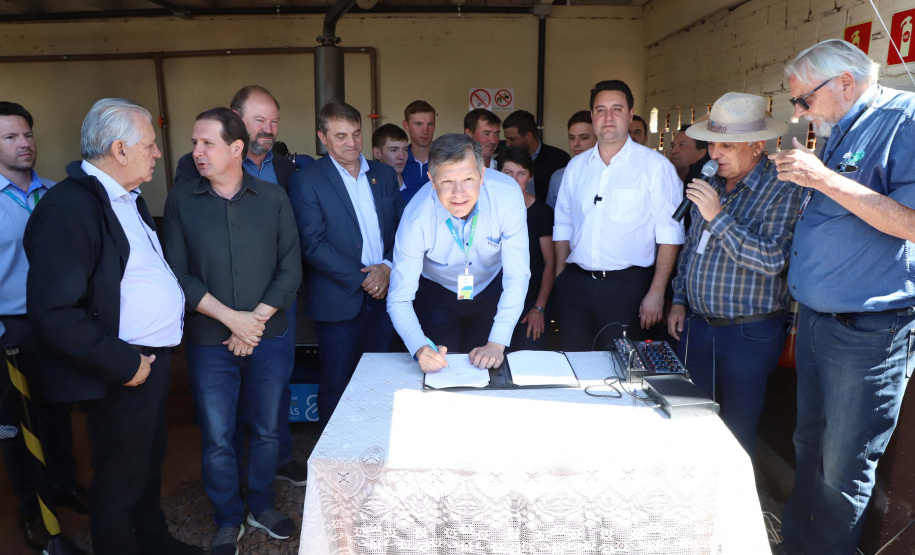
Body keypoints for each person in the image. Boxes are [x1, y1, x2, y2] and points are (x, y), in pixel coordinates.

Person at [24, 98, 201, 555]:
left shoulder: (126, 198)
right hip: (122, 366)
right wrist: (125, 364)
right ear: (120, 150)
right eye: (150, 144)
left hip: (148, 361)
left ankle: (153, 540)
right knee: (119, 477)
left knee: (146, 462)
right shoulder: (70, 207)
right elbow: (54, 312)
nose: (158, 154)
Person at [769, 39, 915, 555]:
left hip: (868, 333)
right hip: (817, 321)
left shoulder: (905, 120)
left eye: (803, 100)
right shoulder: (837, 128)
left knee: (843, 467)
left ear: (846, 84)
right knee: (809, 447)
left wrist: (824, 179)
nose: (798, 112)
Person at [163, 107, 302, 554]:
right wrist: (232, 320)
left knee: (266, 430)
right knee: (218, 436)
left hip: (268, 336)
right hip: (209, 342)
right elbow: (177, 275)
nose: (197, 152)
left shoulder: (273, 199)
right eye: (194, 143)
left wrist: (252, 322)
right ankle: (228, 518)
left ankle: (260, 506)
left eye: (207, 143)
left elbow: (290, 270)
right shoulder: (182, 200)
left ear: (236, 148)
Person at [666, 92, 802, 456]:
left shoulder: (783, 187)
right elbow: (691, 251)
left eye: (727, 145)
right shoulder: (709, 183)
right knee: (689, 417)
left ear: (757, 145)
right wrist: (679, 299)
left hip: (748, 332)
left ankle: (728, 506)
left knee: (736, 429)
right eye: (712, 145)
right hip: (696, 325)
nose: (714, 155)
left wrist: (719, 217)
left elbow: (774, 258)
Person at [0, 101, 88, 550]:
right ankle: (32, 510)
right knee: (16, 425)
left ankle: (62, 486)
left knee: (56, 412)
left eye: (27, 134)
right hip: (9, 329)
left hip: (54, 322)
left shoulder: (54, 193)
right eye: (10, 137)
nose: (24, 143)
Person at [289, 101, 404, 423]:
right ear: (323, 138)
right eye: (341, 136)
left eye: (356, 134)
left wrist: (388, 267)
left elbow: (401, 231)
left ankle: (376, 451)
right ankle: (334, 461)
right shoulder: (307, 180)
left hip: (384, 297)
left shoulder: (382, 174)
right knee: (336, 384)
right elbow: (313, 244)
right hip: (339, 300)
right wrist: (365, 278)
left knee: (379, 381)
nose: (351, 143)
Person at [553, 80, 684, 349]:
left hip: (628, 288)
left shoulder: (655, 167)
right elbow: (563, 224)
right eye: (600, 110)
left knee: (621, 371)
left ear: (630, 113)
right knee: (574, 362)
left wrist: (657, 292)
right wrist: (560, 277)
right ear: (592, 116)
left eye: (616, 109)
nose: (608, 117)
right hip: (575, 284)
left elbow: (670, 233)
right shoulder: (576, 167)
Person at [387, 133, 529, 372]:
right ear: (432, 180)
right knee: (442, 373)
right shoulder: (416, 217)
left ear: (482, 175)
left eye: (468, 179)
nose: (459, 192)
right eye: (447, 182)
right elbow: (399, 298)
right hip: (437, 295)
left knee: (489, 370)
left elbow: (517, 275)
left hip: (490, 290)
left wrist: (497, 342)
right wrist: (420, 348)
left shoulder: (507, 196)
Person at [174, 85, 307, 189]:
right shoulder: (196, 164)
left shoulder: (285, 166)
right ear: (236, 118)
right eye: (260, 120)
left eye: (274, 121)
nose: (268, 130)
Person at [498, 147, 553, 350]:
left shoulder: (542, 212)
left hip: (529, 302)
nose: (514, 179)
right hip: (493, 301)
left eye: (521, 173)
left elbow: (549, 263)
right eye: (508, 173)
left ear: (529, 176)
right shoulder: (488, 209)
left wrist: (539, 308)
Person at [502, 110, 571, 203]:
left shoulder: (559, 158)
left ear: (528, 136)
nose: (507, 144)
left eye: (512, 139)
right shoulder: (503, 159)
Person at [546, 110, 597, 209]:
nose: (576, 143)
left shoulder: (608, 173)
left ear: (598, 138)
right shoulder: (558, 177)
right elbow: (551, 217)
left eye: (584, 137)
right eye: (571, 138)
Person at [400, 100, 436, 204]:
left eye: (430, 124)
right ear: (406, 125)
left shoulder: (445, 161)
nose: (425, 131)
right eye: (418, 124)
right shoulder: (398, 162)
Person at [372, 123, 409, 190]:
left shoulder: (416, 184)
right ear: (377, 153)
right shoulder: (370, 189)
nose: (402, 156)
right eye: (394, 150)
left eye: (405, 150)